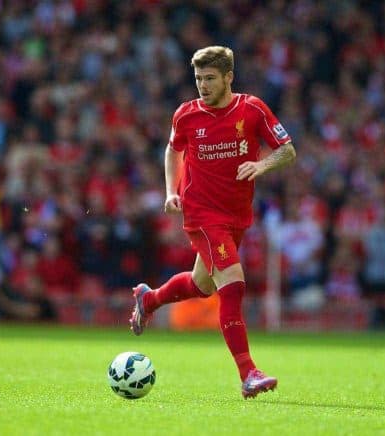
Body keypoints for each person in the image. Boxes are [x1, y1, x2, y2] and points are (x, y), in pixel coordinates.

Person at [129, 46, 296, 399]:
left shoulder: (252, 109)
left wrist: (261, 165)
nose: (202, 86)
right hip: (202, 214)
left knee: (201, 285)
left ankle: (149, 299)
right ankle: (248, 372)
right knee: (232, 285)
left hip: (236, 215)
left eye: (209, 79)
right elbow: (173, 149)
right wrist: (171, 190)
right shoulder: (186, 115)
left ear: (228, 78)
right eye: (198, 79)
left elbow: (287, 149)